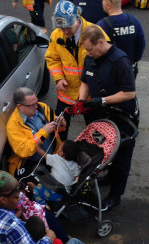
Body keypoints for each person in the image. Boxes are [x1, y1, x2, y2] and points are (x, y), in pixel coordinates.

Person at [79, 25, 138, 211]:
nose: (88, 53)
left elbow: (129, 93)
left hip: (123, 116)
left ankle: (116, 195)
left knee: (121, 156)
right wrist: (81, 101)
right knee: (104, 150)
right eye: (86, 50)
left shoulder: (120, 61)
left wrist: (102, 100)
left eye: (90, 49)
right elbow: (84, 81)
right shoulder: (90, 58)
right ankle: (110, 176)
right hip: (102, 113)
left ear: (101, 42)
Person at [45, 0, 110, 140]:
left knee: (96, 129)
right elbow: (52, 59)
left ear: (77, 19)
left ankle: (95, 154)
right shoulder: (57, 35)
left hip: (90, 95)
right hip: (67, 93)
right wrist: (58, 78)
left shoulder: (95, 33)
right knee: (59, 128)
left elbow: (107, 59)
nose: (65, 32)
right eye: (61, 28)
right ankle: (59, 154)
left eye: (68, 27)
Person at [0, 176, 70, 244]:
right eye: (16, 197)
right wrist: (49, 237)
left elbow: (21, 210)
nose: (19, 199)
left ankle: (64, 239)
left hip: (22, 218)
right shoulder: (9, 227)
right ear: (3, 199)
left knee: (41, 210)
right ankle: (63, 241)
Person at [6, 87, 66, 182]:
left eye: (36, 102)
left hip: (53, 155)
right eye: (32, 105)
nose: (36, 106)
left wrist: (61, 124)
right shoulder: (13, 125)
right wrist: (43, 133)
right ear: (19, 106)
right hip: (32, 163)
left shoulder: (42, 107)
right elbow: (23, 151)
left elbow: (59, 129)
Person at [97, 0, 146, 78]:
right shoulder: (134, 21)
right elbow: (141, 43)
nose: (102, 2)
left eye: (103, 1)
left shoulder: (102, 25)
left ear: (109, 5)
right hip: (128, 68)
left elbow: (97, 49)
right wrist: (134, 60)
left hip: (110, 70)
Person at [30, 139, 81, 205]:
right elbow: (76, 177)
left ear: (61, 153)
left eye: (59, 147)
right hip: (64, 195)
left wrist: (37, 146)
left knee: (36, 190)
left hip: (53, 191)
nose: (58, 148)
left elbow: (43, 154)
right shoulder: (75, 165)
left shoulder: (56, 158)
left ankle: (44, 208)